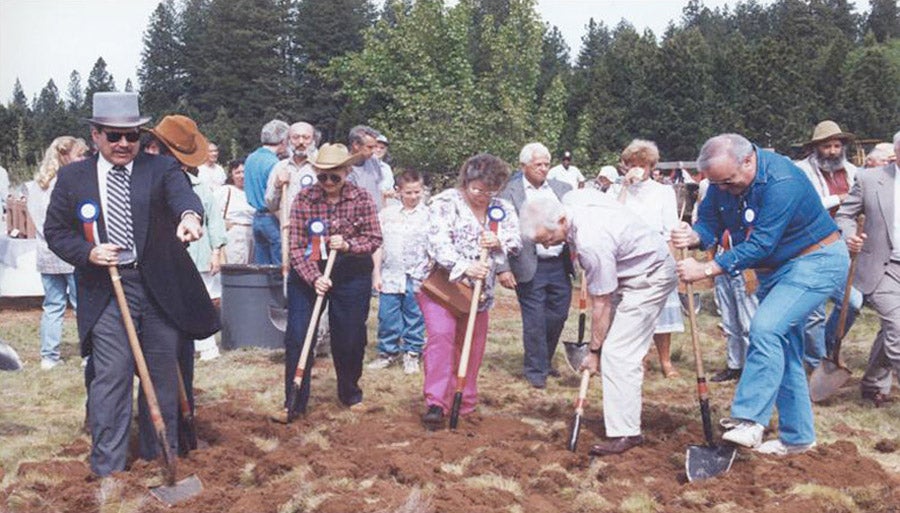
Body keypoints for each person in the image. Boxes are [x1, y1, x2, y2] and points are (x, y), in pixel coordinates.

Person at [44, 92, 219, 477]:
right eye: (113, 135)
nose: (124, 144)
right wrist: (88, 252)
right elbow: (55, 231)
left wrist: (189, 217)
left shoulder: (160, 169)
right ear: (95, 135)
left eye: (132, 135)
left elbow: (183, 197)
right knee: (112, 375)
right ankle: (108, 469)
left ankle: (160, 462)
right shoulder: (73, 177)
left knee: (162, 375)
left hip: (157, 289)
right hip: (105, 289)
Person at [672, 133, 849, 456]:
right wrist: (694, 235)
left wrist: (707, 269)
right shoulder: (720, 181)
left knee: (765, 329)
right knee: (782, 347)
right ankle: (798, 439)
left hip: (816, 261)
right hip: (776, 270)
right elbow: (710, 222)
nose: (725, 189)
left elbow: (761, 244)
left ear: (749, 160)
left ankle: (750, 420)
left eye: (730, 182)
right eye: (718, 184)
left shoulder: (783, 180)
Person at [520, 189, 677, 456]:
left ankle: (627, 433)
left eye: (547, 239)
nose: (547, 246)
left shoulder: (590, 242)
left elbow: (601, 304)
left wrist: (594, 352)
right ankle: (623, 420)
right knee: (614, 349)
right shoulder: (569, 200)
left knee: (618, 353)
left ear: (560, 221)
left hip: (650, 277)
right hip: (627, 269)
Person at [413, 154, 521, 429]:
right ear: (466, 182)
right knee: (441, 336)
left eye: (491, 190)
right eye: (478, 189)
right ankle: (436, 402)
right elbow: (436, 242)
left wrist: (499, 242)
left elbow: (515, 241)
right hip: (443, 286)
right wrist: (465, 267)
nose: (483, 196)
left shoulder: (502, 207)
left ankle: (465, 400)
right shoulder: (444, 203)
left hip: (479, 293)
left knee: (471, 345)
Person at [278, 143, 382, 419]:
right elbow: (297, 247)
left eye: (334, 176)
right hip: (309, 274)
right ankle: (294, 402)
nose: (327, 182)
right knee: (298, 336)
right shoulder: (303, 199)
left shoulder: (362, 199)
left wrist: (348, 244)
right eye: (322, 176)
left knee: (349, 337)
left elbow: (374, 239)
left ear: (347, 172)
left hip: (351, 273)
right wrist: (314, 279)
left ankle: (350, 394)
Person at [149, 115, 227, 363]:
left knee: (197, 298)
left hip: (194, 253)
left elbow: (210, 218)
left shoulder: (196, 186)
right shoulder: (141, 182)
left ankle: (204, 347)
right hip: (156, 263)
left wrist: (216, 250)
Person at [497, 142, 573, 389]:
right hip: (529, 264)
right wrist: (503, 268)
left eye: (546, 164)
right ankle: (535, 371)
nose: (543, 168)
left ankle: (545, 359)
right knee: (534, 320)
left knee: (558, 315)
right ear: (523, 166)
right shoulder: (509, 192)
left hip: (560, 263)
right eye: (537, 164)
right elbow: (500, 231)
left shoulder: (564, 189)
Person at [835, 130, 900, 407]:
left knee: (889, 329)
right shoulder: (870, 179)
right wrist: (849, 235)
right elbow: (845, 215)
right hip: (882, 266)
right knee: (898, 326)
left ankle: (873, 382)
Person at [794, 120, 862, 368]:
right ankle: (814, 363)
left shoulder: (854, 172)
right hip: (810, 247)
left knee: (853, 302)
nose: (833, 151)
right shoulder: (801, 171)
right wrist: (839, 199)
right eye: (827, 146)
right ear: (815, 148)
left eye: (836, 145)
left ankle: (829, 347)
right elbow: (805, 205)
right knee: (814, 312)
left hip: (843, 248)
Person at [616, 139, 684, 378]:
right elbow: (613, 219)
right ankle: (638, 357)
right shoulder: (617, 190)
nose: (637, 168)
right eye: (632, 163)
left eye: (643, 164)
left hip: (656, 255)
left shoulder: (663, 191)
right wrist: (624, 187)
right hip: (627, 257)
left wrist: (669, 263)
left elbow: (670, 229)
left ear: (651, 166)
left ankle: (665, 361)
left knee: (662, 310)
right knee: (633, 311)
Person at [26, 136, 88, 370]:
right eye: (79, 155)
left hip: (46, 253)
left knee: (52, 305)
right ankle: (89, 353)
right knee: (82, 305)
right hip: (70, 253)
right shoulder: (67, 185)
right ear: (64, 156)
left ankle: (48, 356)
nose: (82, 160)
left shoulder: (36, 185)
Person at [368, 169, 429, 374]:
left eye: (417, 192)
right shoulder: (386, 215)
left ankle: (412, 352)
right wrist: (376, 273)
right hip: (390, 275)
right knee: (387, 315)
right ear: (398, 192)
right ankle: (387, 352)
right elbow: (378, 245)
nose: (413, 197)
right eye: (408, 193)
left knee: (414, 315)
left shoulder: (429, 216)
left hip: (417, 275)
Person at [245, 119, 290, 265]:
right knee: (280, 267)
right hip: (272, 218)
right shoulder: (275, 164)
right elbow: (275, 197)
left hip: (257, 218)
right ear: (283, 141)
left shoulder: (250, 158)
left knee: (262, 268)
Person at [265, 122, 317, 216]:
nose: (301, 142)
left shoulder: (321, 167)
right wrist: (277, 186)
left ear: (313, 140)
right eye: (295, 137)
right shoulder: (280, 167)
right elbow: (271, 206)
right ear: (288, 140)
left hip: (316, 226)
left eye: (306, 137)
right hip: (288, 227)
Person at [215, 159, 255, 264]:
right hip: (235, 235)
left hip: (252, 235)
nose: (242, 176)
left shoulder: (253, 192)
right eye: (237, 173)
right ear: (231, 175)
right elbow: (213, 212)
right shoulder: (225, 190)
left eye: (244, 172)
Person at [348, 125, 392, 211]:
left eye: (374, 147)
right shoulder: (344, 168)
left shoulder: (374, 161)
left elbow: (379, 190)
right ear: (356, 145)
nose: (373, 151)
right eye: (369, 147)